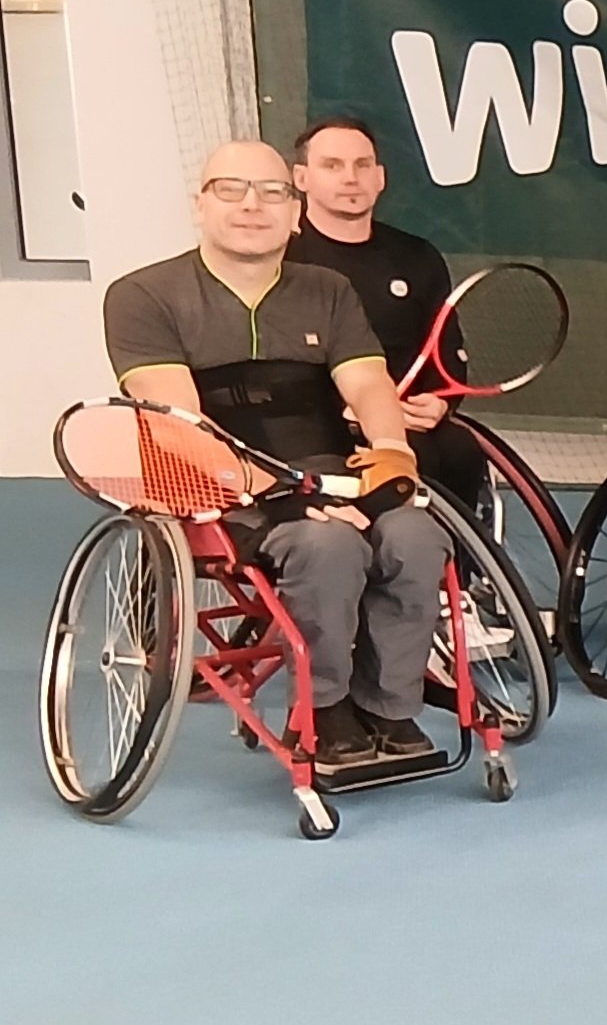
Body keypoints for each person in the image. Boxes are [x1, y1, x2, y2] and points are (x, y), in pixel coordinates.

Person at [105, 141, 442, 778]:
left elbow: (368, 382)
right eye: (230, 190)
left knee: (416, 536)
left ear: (295, 211)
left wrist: (393, 451)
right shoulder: (143, 295)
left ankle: (390, 706)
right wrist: (287, 492)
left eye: (271, 192)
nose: (251, 206)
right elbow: (178, 424)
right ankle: (325, 707)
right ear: (200, 205)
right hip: (215, 488)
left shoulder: (329, 290)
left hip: (327, 472)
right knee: (327, 547)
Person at [285, 116, 484, 512]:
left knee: (460, 449)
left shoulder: (417, 256)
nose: (350, 178)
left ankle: (452, 553)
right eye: (332, 165)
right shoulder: (281, 257)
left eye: (362, 165)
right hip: (322, 428)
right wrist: (360, 412)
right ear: (301, 178)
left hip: (411, 424)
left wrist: (439, 403)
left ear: (380, 178)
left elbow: (446, 351)